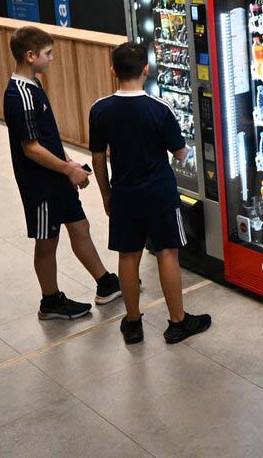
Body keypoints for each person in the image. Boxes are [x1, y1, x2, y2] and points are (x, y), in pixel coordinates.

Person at [89, 42, 211, 345]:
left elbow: (98, 158)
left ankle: (133, 323)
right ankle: (178, 322)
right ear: (146, 69)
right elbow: (180, 153)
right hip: (160, 193)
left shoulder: (100, 109)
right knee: (167, 252)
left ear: (113, 71)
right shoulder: (160, 109)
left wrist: (106, 194)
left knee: (128, 256)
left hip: (124, 194)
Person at [3, 25, 122, 319]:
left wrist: (68, 161)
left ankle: (105, 282)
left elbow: (46, 137)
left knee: (80, 226)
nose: (52, 58)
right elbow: (31, 148)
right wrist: (68, 169)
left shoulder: (34, 85)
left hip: (56, 177)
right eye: (48, 53)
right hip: (40, 184)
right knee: (47, 241)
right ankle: (50, 300)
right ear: (30, 56)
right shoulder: (21, 96)